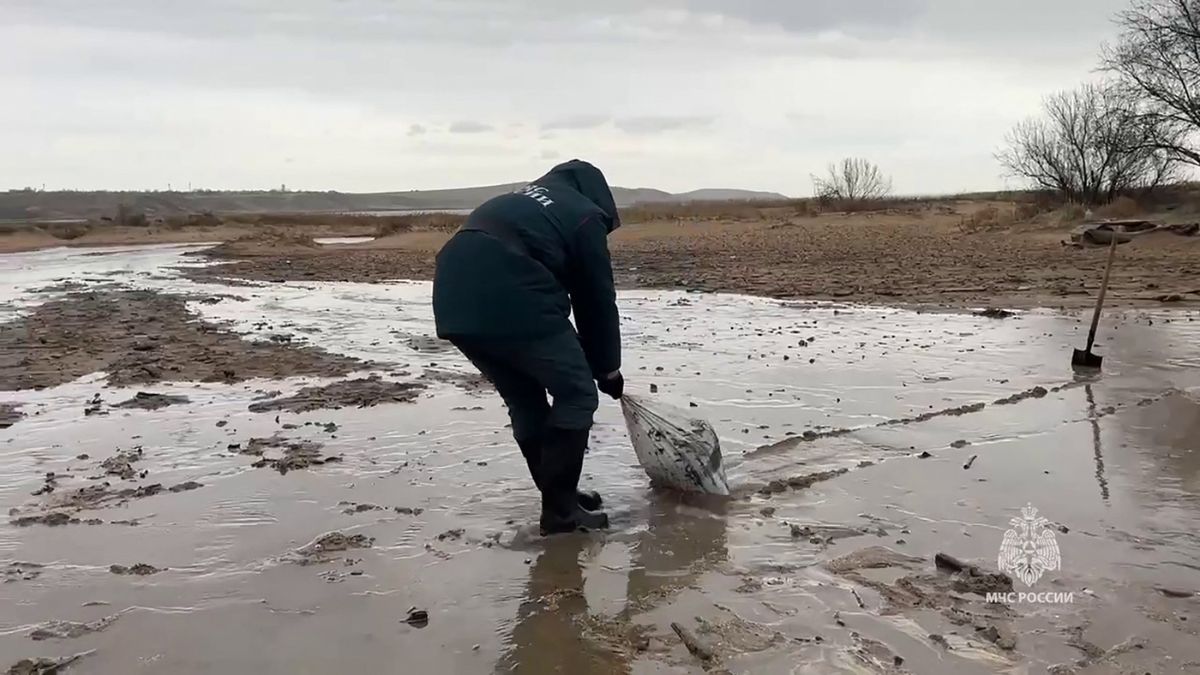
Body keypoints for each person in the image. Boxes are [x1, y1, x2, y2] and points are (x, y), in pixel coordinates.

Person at [432, 159, 624, 535]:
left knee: (525, 399)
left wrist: (598, 361)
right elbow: (595, 299)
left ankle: (561, 501)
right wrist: (608, 369)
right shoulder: (585, 216)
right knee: (577, 394)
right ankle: (561, 514)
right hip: (512, 292)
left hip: (453, 303)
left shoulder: (518, 201)